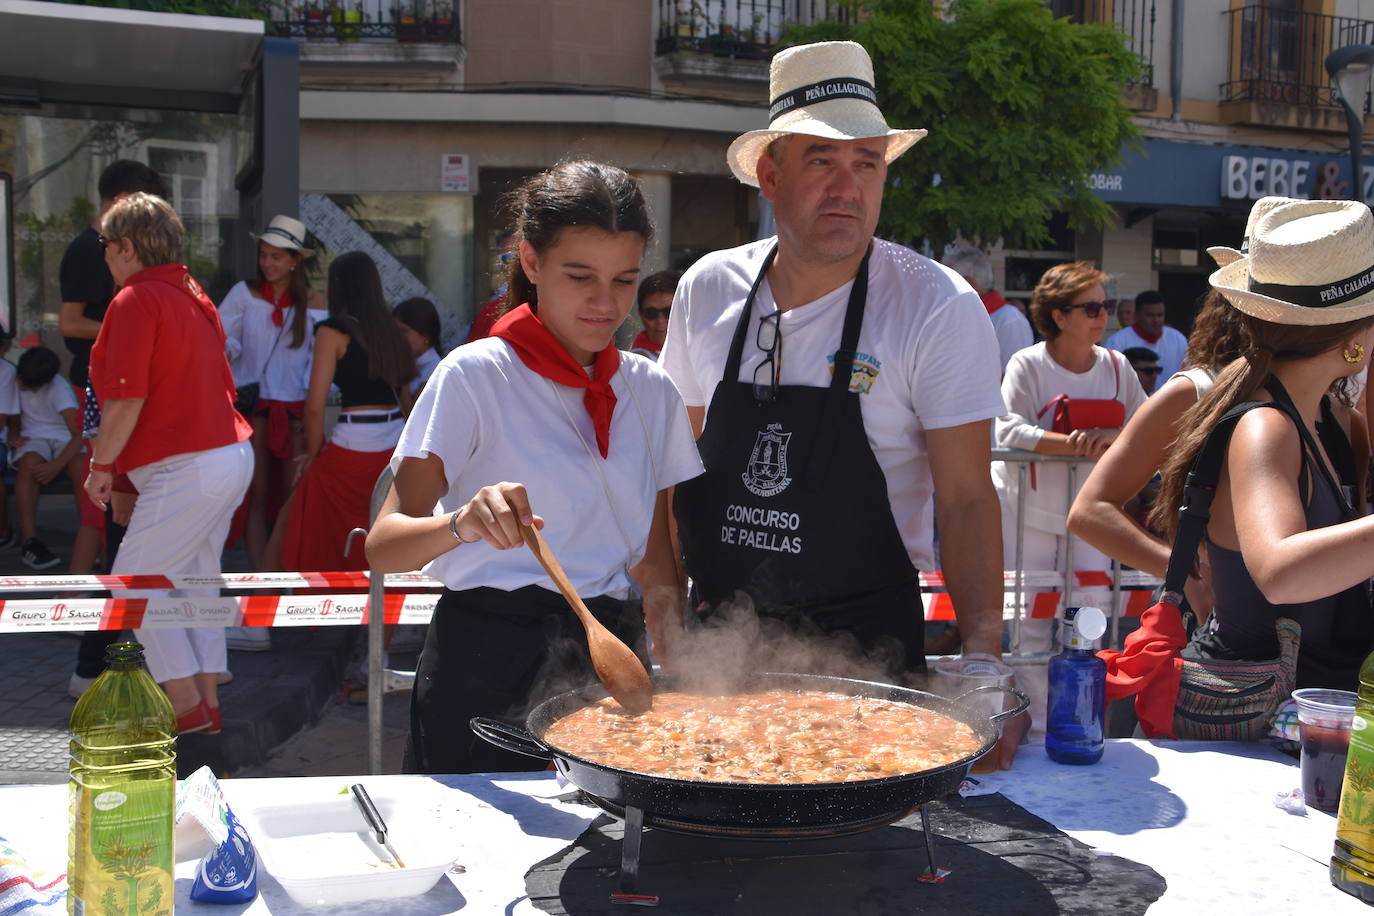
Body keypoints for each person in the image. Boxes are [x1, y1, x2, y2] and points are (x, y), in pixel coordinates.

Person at [659, 41, 1021, 762]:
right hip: (719, 651)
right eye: (822, 162)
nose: (847, 188)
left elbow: (967, 497)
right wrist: (662, 609)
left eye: (866, 165)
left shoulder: (933, 306)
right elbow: (674, 469)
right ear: (770, 173)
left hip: (871, 661)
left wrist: (984, 663)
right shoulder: (707, 288)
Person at [366, 161, 703, 774]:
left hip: (609, 657)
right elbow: (384, 547)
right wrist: (462, 524)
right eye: (581, 277)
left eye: (625, 280)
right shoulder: (473, 377)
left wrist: (679, 666)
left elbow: (656, 556)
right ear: (530, 262)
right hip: (485, 659)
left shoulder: (651, 391)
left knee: (606, 853)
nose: (607, 304)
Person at [1149, 198, 1374, 694]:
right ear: (1353, 338)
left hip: (1305, 714)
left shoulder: (1332, 422)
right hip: (1257, 734)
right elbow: (1281, 572)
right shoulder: (1266, 425)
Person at [85, 192, 253, 735]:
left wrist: (102, 466)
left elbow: (127, 399)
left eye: (105, 244)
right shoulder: (190, 292)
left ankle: (184, 705)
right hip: (222, 455)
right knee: (195, 586)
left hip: (192, 464)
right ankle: (205, 707)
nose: (103, 254)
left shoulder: (137, 300)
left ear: (127, 246)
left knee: (132, 583)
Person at [993, 261, 1147, 735]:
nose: (1104, 316)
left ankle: (1079, 723)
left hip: (1093, 519)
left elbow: (1145, 428)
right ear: (1059, 315)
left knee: (1088, 620)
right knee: (1031, 626)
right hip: (1031, 516)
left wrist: (1111, 439)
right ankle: (1033, 728)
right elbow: (1007, 428)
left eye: (1107, 306)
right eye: (1092, 307)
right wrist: (1074, 443)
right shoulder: (1027, 363)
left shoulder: (1119, 368)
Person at [58, 160, 164, 695]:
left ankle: (97, 652)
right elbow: (69, 322)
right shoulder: (109, 279)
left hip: (124, 431)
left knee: (122, 546)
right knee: (114, 539)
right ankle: (88, 651)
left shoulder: (139, 301)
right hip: (109, 422)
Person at [269, 251, 416, 575]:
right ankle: (381, 620)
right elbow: (407, 399)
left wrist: (312, 448)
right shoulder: (392, 331)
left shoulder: (332, 331)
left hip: (351, 442)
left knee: (293, 519)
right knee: (381, 528)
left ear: (337, 287)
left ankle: (257, 621)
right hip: (393, 446)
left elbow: (315, 403)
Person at [10, 347, 84, 570]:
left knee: (80, 467)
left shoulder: (60, 390)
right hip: (33, 437)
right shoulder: (15, 379)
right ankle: (30, 542)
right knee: (29, 464)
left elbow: (79, 434)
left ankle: (89, 538)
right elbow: (13, 414)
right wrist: (13, 434)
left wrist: (56, 465)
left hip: (64, 438)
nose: (22, 385)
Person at [943, 246, 1033, 374]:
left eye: (947, 280)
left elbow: (1015, 377)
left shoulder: (1010, 320)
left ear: (968, 283)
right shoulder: (956, 316)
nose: (942, 288)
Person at [1106, 290, 1188, 380]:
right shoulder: (1117, 341)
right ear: (1136, 315)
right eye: (1150, 315)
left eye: (1160, 315)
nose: (1156, 320)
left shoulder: (1178, 339)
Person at [394, 297, 444, 395]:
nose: (397, 337)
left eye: (403, 331)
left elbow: (413, 410)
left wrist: (402, 377)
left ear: (425, 334)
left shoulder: (435, 369)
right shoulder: (409, 363)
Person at [630, 270, 679, 359]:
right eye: (651, 313)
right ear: (641, 315)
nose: (660, 321)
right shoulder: (638, 363)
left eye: (669, 312)